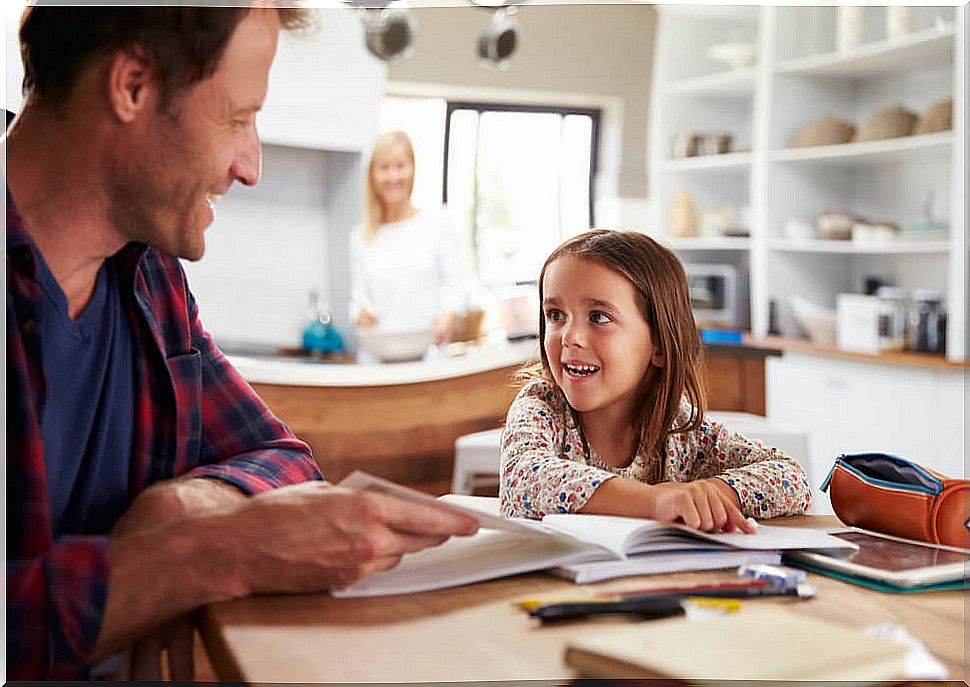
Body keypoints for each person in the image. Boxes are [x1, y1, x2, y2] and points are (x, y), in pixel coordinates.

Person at [5, 7, 479, 681]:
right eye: (238, 117)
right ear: (132, 86)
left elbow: (281, 457)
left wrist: (185, 504)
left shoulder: (149, 274)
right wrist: (202, 556)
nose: (249, 164)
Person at [500, 230, 812, 529]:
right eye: (556, 315)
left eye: (598, 317)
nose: (570, 337)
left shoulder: (680, 427)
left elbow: (790, 478)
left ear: (660, 345)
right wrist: (655, 501)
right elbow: (524, 479)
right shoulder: (541, 408)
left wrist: (710, 496)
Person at [349, 130, 464, 346]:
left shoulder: (437, 224)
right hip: (381, 358)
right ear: (372, 175)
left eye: (400, 166)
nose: (393, 176)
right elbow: (357, 300)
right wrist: (359, 315)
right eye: (384, 168)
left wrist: (448, 315)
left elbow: (456, 288)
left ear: (412, 169)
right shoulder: (360, 237)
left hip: (430, 354)